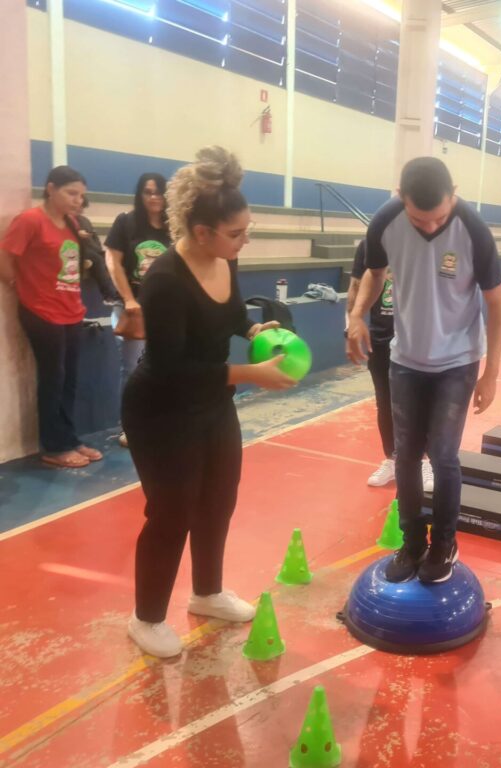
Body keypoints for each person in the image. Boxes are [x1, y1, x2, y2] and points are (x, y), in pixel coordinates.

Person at [122, 147, 296, 658]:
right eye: (236, 233)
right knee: (171, 513)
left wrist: (252, 329)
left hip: (212, 402)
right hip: (162, 409)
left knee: (218, 498)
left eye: (247, 230)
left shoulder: (224, 258)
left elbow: (232, 312)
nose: (245, 240)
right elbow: (173, 371)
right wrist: (251, 375)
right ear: (201, 232)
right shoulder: (164, 281)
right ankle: (146, 618)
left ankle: (207, 593)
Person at [347, 157, 501, 584]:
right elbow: (374, 273)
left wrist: (491, 372)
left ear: (453, 195)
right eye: (421, 219)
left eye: (439, 217)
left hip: (457, 362)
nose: (432, 226)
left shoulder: (473, 228)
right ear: (401, 198)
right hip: (406, 360)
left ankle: (444, 544)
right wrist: (357, 314)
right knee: (405, 456)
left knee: (443, 456)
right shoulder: (385, 222)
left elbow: (496, 304)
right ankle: (413, 542)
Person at [0, 166, 104, 468]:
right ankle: (54, 446)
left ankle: (69, 438)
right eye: (71, 193)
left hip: (71, 311)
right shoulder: (31, 220)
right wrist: (18, 286)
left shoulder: (73, 223)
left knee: (69, 378)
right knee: (53, 378)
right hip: (42, 312)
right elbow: (5, 255)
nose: (77, 200)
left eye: (81, 196)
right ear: (50, 189)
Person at [347, 238, 433, 492]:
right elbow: (354, 287)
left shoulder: (423, 240)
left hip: (416, 339)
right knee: (384, 402)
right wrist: (350, 329)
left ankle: (424, 460)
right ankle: (392, 459)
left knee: (418, 402)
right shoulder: (370, 243)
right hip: (381, 339)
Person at [105, 173, 172, 448]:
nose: (154, 197)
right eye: (148, 192)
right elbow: (113, 261)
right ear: (140, 194)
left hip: (164, 308)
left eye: (159, 192)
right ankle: (131, 426)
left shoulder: (173, 227)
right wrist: (129, 299)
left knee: (165, 366)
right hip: (133, 309)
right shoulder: (126, 222)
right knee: (133, 369)